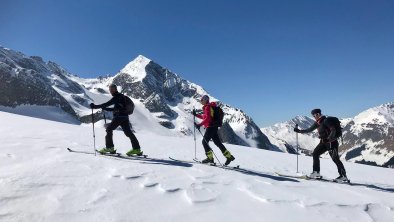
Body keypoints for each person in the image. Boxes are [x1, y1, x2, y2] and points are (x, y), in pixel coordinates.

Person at [294, 109, 349, 183]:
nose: (315, 116)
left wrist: (328, 138)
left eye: (316, 114)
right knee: (315, 154)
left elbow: (333, 130)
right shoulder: (318, 122)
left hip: (331, 143)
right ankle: (316, 172)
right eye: (313, 115)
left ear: (319, 114)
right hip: (324, 142)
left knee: (335, 159)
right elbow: (309, 130)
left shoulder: (326, 121)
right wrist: (299, 131)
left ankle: (343, 176)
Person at [90, 84, 142, 156]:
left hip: (119, 117)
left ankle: (109, 147)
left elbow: (107, 104)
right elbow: (116, 109)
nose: (110, 91)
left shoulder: (116, 97)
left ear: (115, 89)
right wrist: (106, 109)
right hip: (125, 117)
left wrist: (95, 106)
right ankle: (137, 149)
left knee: (109, 129)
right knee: (128, 133)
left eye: (111, 89)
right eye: (110, 89)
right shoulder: (121, 97)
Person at [192, 95, 235, 165]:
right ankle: (229, 156)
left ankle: (210, 158)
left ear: (205, 100)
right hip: (214, 127)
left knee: (204, 142)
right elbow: (204, 117)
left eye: (202, 100)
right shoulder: (209, 107)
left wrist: (199, 125)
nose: (201, 101)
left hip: (210, 127)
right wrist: (196, 115)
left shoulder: (207, 107)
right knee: (218, 143)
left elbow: (207, 119)